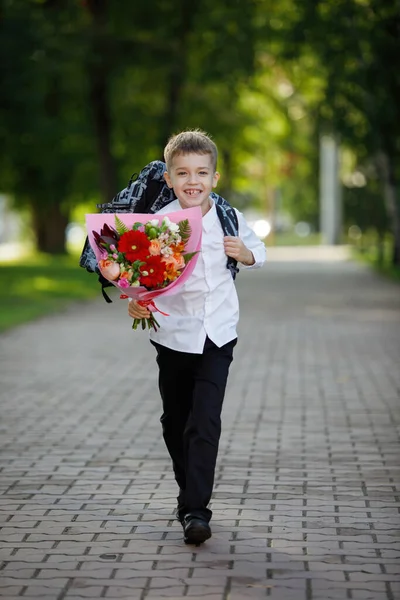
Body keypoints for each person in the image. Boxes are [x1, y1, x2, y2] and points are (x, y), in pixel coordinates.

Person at [128, 130, 266, 545]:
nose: (193, 180)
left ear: (214, 177)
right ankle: (187, 493)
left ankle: (196, 510)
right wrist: (136, 303)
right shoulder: (158, 226)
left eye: (202, 172)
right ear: (168, 178)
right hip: (172, 335)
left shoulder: (228, 216)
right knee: (175, 422)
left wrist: (246, 253)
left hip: (218, 335)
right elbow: (140, 282)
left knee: (204, 422)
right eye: (183, 173)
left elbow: (258, 250)